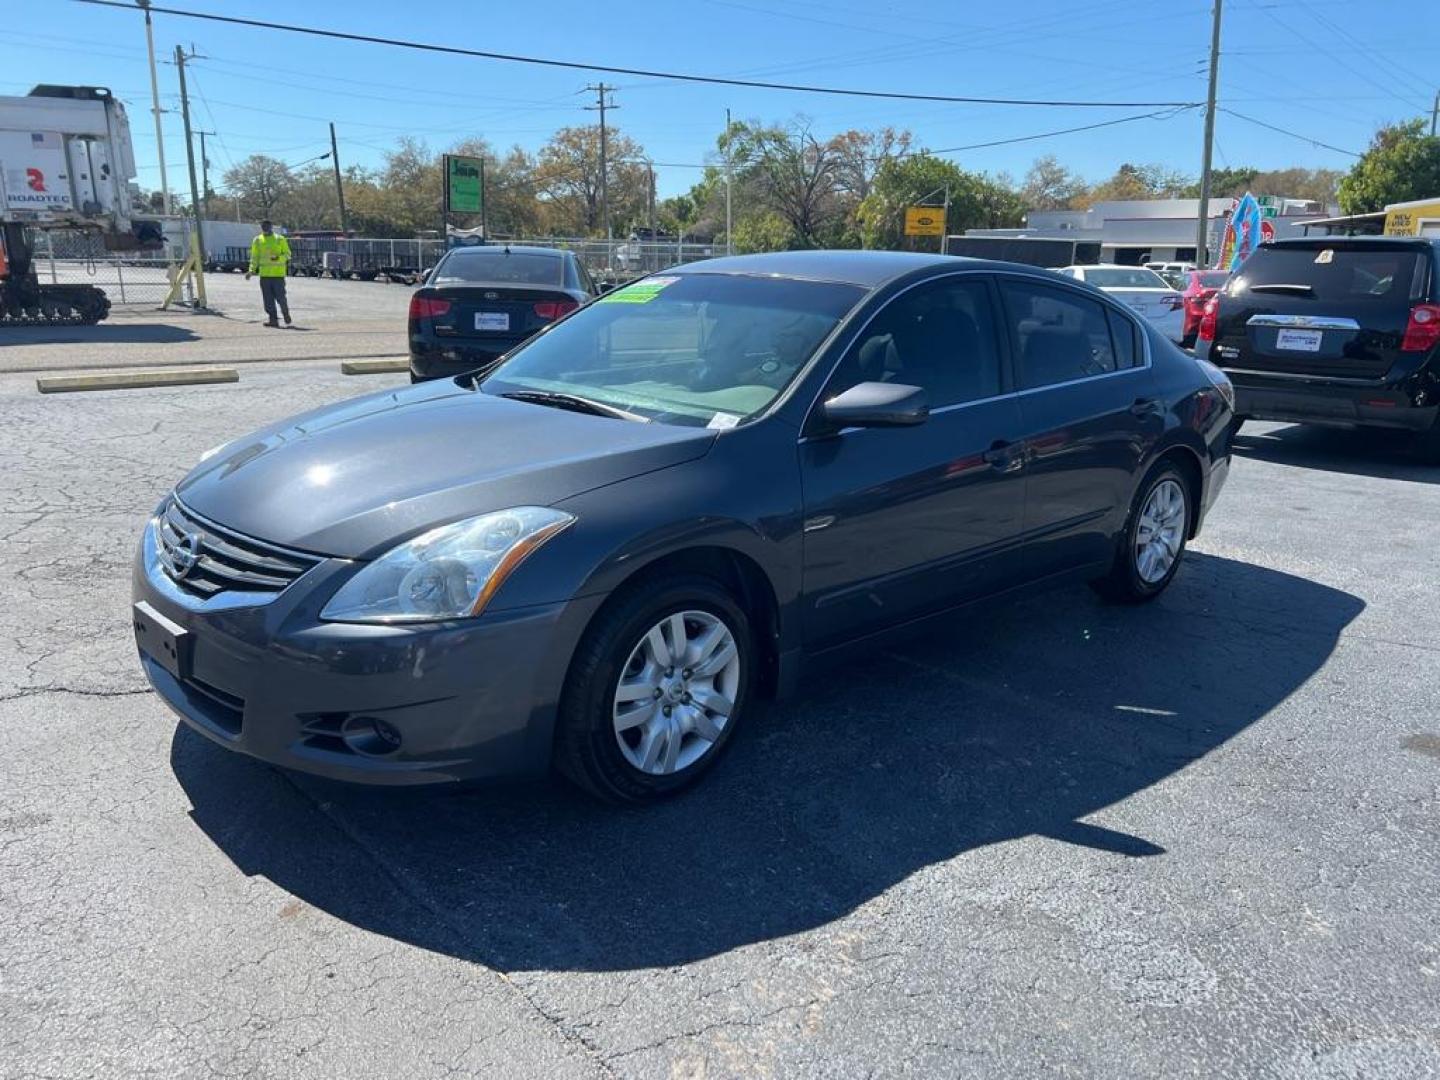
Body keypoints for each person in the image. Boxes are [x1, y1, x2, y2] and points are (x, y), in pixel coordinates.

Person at [245, 220, 292, 327]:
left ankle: (286, 314)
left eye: (267, 226)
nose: (265, 228)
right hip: (265, 276)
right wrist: (251, 270)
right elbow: (255, 258)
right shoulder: (257, 240)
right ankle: (273, 320)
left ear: (271, 227)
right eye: (263, 226)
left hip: (278, 275)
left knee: (281, 298)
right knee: (268, 300)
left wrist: (278, 258)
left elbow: (288, 254)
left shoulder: (279, 239)